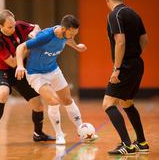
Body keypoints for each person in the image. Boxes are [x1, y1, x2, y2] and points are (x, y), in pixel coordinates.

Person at [15, 14, 98, 145]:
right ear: (64, 29)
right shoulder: (46, 36)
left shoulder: (65, 35)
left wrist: (77, 47)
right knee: (53, 101)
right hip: (36, 74)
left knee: (67, 100)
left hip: (53, 70)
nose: (73, 36)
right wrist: (20, 65)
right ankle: (59, 134)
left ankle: (83, 131)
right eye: (72, 33)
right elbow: (21, 47)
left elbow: (67, 40)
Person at [0, 10, 55, 145]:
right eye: (9, 27)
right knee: (3, 93)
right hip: (4, 71)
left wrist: (34, 34)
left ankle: (38, 134)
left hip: (21, 71)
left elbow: (36, 27)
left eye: (13, 25)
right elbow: (12, 62)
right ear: (1, 26)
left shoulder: (19, 25)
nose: (13, 28)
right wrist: (29, 48)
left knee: (38, 105)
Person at [103, 0, 149, 155]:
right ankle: (142, 143)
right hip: (137, 63)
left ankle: (127, 145)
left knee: (108, 104)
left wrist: (117, 68)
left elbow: (120, 41)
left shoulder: (114, 15)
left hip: (125, 66)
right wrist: (134, 54)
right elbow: (145, 40)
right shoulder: (134, 13)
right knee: (126, 103)